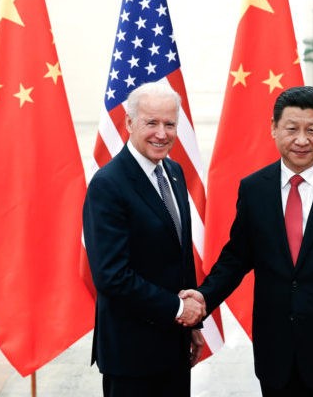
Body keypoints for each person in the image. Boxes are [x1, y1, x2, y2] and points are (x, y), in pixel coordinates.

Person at [181, 86, 313, 396]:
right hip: (276, 352)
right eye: (291, 129)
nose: (302, 140)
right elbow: (237, 258)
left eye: (312, 130)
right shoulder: (254, 189)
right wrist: (203, 298)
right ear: (274, 128)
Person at [83, 82, 206, 397]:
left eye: (170, 124)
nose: (162, 133)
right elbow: (112, 276)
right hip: (131, 355)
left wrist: (192, 325)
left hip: (174, 347)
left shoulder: (174, 173)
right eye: (151, 122)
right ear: (128, 123)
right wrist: (179, 309)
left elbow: (180, 254)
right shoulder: (108, 184)